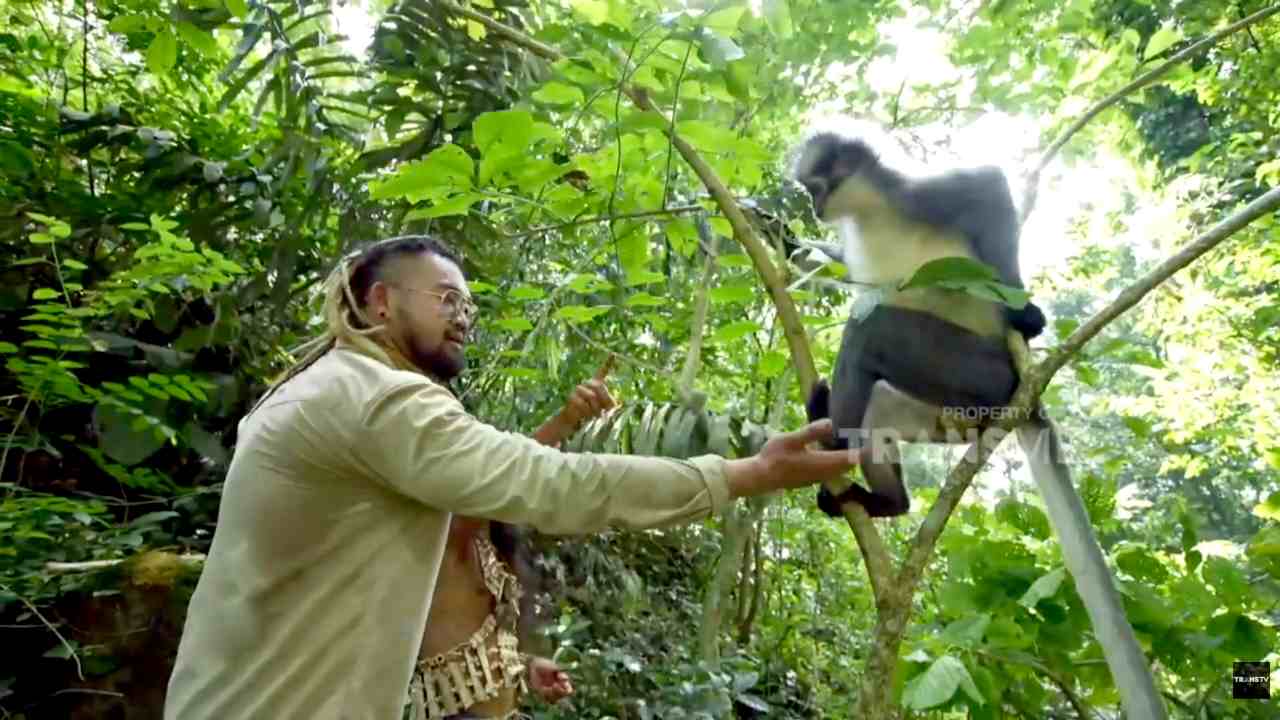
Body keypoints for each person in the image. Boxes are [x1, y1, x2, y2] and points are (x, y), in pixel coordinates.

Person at [163, 234, 863, 720]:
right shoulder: (376, 399)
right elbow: (555, 485)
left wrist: (518, 666)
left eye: (468, 305)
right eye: (445, 298)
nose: (464, 318)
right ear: (381, 303)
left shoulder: (326, 391)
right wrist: (750, 471)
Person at [409, 373, 614, 719]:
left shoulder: (491, 548)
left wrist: (528, 666)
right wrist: (567, 420)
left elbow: (475, 646)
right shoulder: (448, 537)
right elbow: (516, 467)